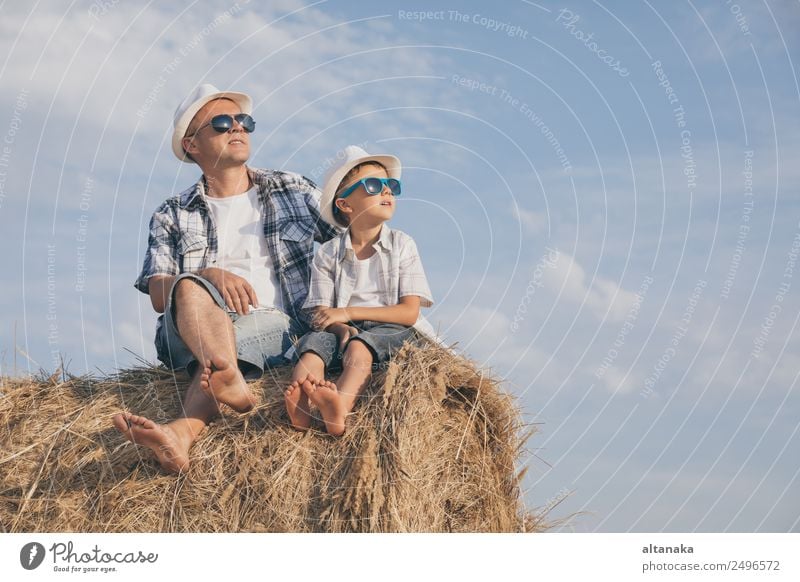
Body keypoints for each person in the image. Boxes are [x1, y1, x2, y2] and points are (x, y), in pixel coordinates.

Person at [113, 84, 338, 472]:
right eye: (221, 123)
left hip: (277, 328)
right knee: (187, 288)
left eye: (244, 121)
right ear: (192, 145)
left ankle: (181, 432)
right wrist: (207, 275)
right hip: (187, 332)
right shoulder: (172, 212)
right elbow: (157, 292)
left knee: (217, 357)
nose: (237, 128)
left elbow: (350, 245)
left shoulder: (293, 189)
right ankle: (230, 379)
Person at [284, 145, 435, 436]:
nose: (387, 191)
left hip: (392, 331)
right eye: (374, 185)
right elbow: (320, 313)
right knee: (313, 347)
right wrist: (339, 326)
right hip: (342, 329)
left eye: (391, 185)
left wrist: (349, 312)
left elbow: (409, 312)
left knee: (360, 347)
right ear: (345, 204)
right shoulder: (328, 254)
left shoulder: (403, 245)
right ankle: (302, 406)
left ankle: (339, 406)